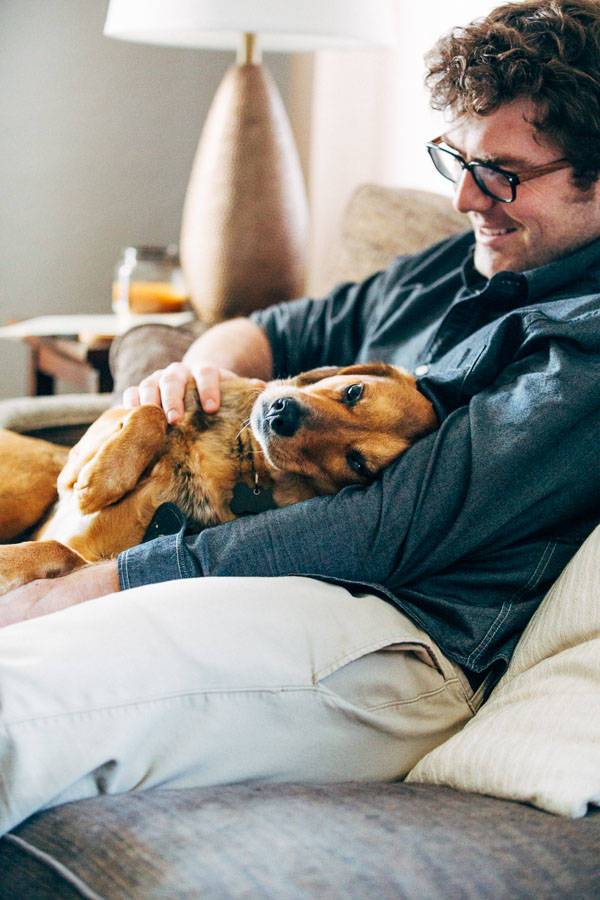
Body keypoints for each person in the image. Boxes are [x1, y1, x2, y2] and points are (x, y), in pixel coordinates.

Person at [1, 0, 599, 834]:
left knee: (19, 707)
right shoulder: (460, 263)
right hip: (265, 567)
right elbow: (280, 330)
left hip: (395, 627)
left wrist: (107, 581)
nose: (465, 196)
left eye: (502, 173)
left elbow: (390, 528)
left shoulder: (583, 346)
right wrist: (190, 377)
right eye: (456, 159)